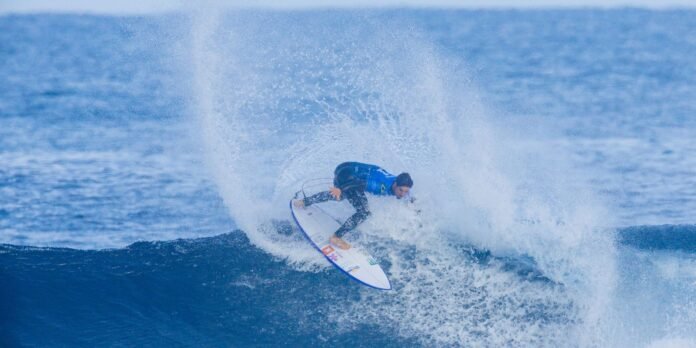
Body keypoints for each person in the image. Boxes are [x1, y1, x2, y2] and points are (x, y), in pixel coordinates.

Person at [293, 162, 413, 250]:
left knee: (345, 197)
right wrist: (340, 189)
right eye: (400, 190)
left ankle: (304, 202)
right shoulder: (379, 185)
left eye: (405, 191)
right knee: (362, 211)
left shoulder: (401, 185)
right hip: (346, 175)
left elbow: (409, 195)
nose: (402, 194)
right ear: (395, 184)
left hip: (349, 168)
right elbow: (356, 184)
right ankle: (336, 237)